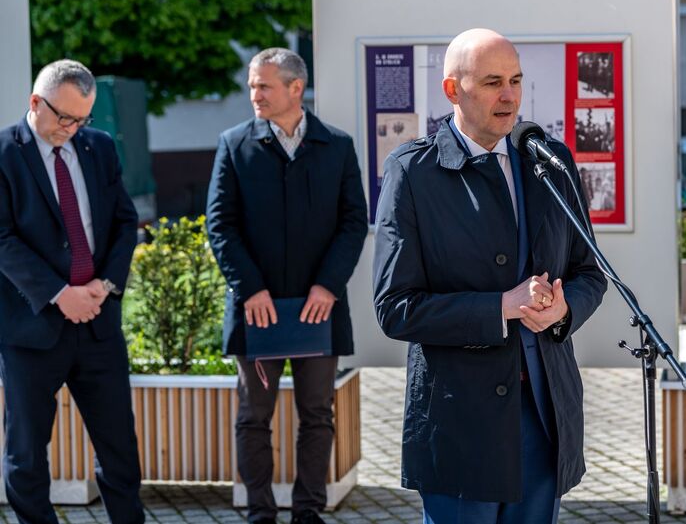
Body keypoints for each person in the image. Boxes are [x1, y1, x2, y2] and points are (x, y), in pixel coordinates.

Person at [372, 28, 607, 524]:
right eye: (492, 82)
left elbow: (591, 272)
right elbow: (395, 308)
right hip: (459, 421)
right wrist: (500, 307)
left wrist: (564, 310)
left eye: (516, 81)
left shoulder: (550, 161)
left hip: (545, 411)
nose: (509, 96)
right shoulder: (413, 172)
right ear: (452, 90)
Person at [206, 48, 367, 524]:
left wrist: (327, 287)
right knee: (253, 416)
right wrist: (251, 289)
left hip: (319, 309)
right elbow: (220, 225)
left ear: (296, 88)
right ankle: (260, 513)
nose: (254, 94)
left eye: (264, 85)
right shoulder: (234, 144)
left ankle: (308, 512)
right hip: (258, 311)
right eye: (252, 85)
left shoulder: (336, 145)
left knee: (317, 415)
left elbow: (353, 222)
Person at [0, 60, 144, 523]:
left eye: (82, 119)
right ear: (35, 102)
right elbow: (2, 238)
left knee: (119, 447)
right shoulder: (4, 153)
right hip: (31, 329)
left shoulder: (98, 146)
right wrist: (60, 293)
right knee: (26, 453)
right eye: (64, 117)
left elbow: (124, 221)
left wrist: (105, 284)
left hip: (98, 323)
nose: (72, 129)